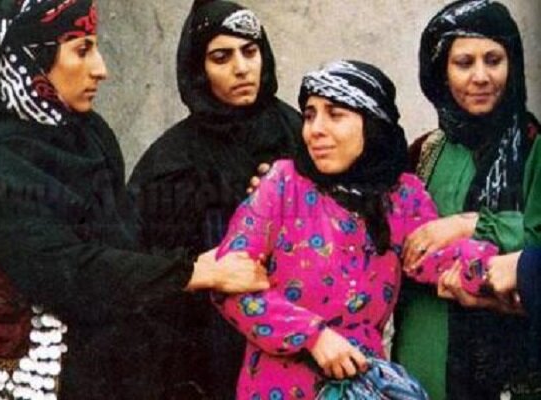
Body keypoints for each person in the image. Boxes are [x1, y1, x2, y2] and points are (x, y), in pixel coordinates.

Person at [0, 1, 269, 399]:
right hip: (12, 382)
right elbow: (68, 268)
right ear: (34, 58)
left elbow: (122, 240)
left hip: (93, 363)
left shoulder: (88, 136)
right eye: (82, 50)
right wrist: (193, 272)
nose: (101, 69)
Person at [211, 60, 497, 400]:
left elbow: (436, 257)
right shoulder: (283, 185)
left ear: (372, 124)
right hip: (277, 387)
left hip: (361, 385)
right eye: (309, 115)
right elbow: (229, 283)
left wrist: (504, 271)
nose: (315, 130)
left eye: (335, 114)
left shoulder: (401, 196)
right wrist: (313, 336)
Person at [127, 1, 301, 398]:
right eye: (221, 57)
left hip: (296, 336)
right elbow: (141, 266)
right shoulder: (171, 160)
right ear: (198, 70)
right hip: (204, 349)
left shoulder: (298, 134)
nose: (241, 68)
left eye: (250, 51)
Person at [394, 1, 541, 399]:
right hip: (424, 345)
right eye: (463, 63)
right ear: (440, 71)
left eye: (493, 60)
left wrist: (472, 224)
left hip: (503, 357)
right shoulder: (425, 151)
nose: (480, 77)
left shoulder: (532, 147)